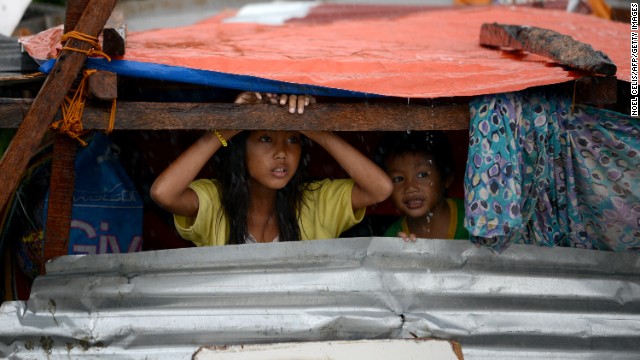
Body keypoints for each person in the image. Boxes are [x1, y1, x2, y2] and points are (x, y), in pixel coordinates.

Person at [150, 92, 393, 246]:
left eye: (293, 139)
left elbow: (380, 189)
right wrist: (227, 128)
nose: (281, 153)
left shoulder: (317, 200)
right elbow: (163, 193)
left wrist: (313, 126)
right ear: (241, 149)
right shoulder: (215, 199)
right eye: (266, 139)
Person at [376, 131, 469, 242]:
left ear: (446, 179)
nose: (410, 187)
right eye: (398, 179)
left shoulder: (473, 217)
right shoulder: (394, 237)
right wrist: (400, 254)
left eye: (422, 175)